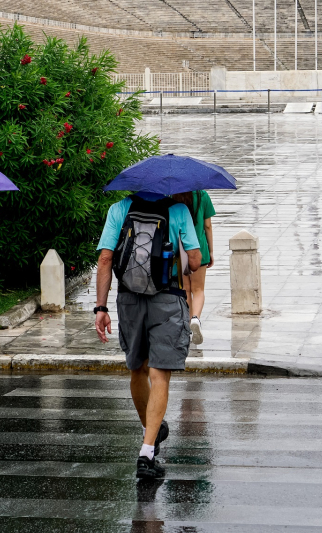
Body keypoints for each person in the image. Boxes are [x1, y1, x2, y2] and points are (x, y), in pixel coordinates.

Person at [94, 191, 201, 479]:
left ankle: (149, 430)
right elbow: (194, 260)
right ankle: (147, 451)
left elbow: (105, 259)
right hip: (168, 299)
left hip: (129, 299)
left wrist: (101, 307)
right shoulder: (178, 210)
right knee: (160, 374)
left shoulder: (119, 208)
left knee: (138, 369)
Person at [171, 190, 215, 345]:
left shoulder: (172, 196)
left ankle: (187, 324)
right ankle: (196, 319)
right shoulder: (202, 195)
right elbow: (207, 225)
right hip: (199, 249)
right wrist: (210, 250)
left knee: (186, 290)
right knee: (199, 290)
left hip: (180, 249)